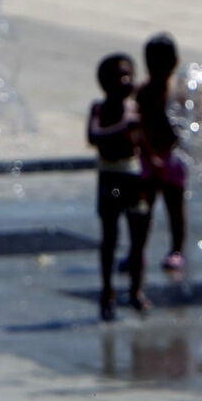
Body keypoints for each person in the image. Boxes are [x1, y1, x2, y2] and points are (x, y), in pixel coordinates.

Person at [89, 54, 152, 321]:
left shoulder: (134, 108)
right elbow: (94, 136)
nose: (125, 81)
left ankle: (136, 290)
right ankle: (107, 290)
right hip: (111, 179)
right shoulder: (99, 109)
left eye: (128, 75)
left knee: (138, 236)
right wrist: (121, 127)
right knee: (110, 235)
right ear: (104, 83)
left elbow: (143, 140)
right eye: (118, 76)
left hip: (133, 178)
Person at [136, 33, 190, 277]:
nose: (159, 69)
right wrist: (149, 153)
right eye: (153, 64)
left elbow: (191, 122)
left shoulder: (179, 93)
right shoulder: (143, 93)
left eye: (164, 63)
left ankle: (177, 249)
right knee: (143, 210)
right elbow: (139, 126)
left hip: (173, 157)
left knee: (174, 207)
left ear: (175, 62)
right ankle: (138, 250)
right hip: (148, 157)